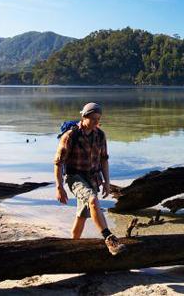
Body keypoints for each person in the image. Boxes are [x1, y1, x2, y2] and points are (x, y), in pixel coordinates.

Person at [54, 102, 126, 256]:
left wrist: (107, 182)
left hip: (93, 178)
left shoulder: (100, 135)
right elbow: (58, 163)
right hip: (75, 177)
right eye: (93, 119)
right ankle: (109, 239)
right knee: (93, 200)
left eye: (98, 119)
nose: (96, 122)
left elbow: (104, 160)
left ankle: (71, 249)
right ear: (84, 117)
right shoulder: (70, 136)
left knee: (82, 216)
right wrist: (59, 187)